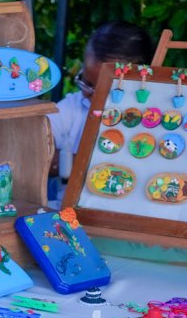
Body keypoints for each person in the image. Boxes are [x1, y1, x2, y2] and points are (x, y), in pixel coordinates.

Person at [49, 21, 155, 195]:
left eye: (105, 90)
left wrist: (72, 163)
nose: (88, 94)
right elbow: (34, 148)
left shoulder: (154, 118)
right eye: (86, 82)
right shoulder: (75, 106)